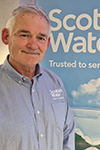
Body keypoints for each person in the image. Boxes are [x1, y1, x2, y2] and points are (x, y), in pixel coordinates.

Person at [0, 4, 75, 150]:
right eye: (24, 35)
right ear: (6, 36)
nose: (33, 45)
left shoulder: (55, 82)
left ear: (47, 44)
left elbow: (67, 136)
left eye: (41, 38)